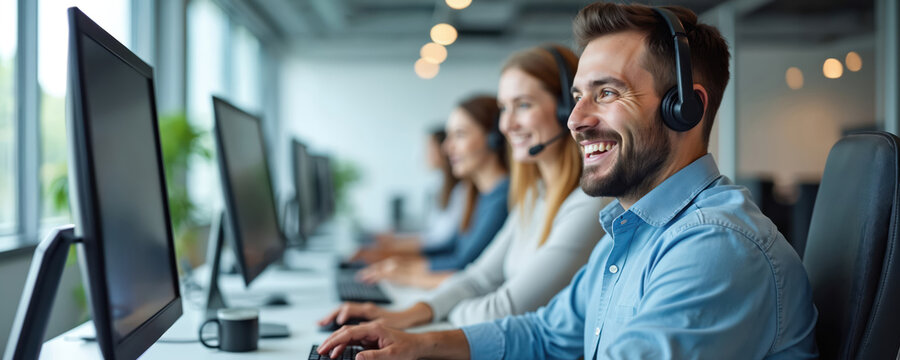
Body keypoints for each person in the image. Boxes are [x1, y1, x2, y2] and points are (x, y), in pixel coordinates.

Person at [316, 3, 818, 359]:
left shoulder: (715, 246)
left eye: (606, 92)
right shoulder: (629, 231)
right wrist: (415, 345)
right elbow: (546, 335)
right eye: (577, 95)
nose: (575, 119)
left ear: (684, 109)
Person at [320, 44, 608, 330]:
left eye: (523, 105)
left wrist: (440, 312)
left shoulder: (588, 203)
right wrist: (408, 314)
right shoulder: (533, 197)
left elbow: (504, 309)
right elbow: (478, 278)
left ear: (566, 110)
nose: (506, 125)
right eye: (503, 109)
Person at [357, 95, 511, 289]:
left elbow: (464, 265)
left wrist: (406, 272)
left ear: (493, 138)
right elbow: (453, 249)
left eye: (460, 135)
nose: (447, 148)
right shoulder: (479, 195)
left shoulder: (503, 198)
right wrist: (400, 265)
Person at [353, 129, 466, 263]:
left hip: (437, 260)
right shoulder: (440, 186)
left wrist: (392, 247)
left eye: (428, 149)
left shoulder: (459, 191)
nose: (423, 155)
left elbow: (440, 241)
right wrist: (394, 240)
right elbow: (431, 234)